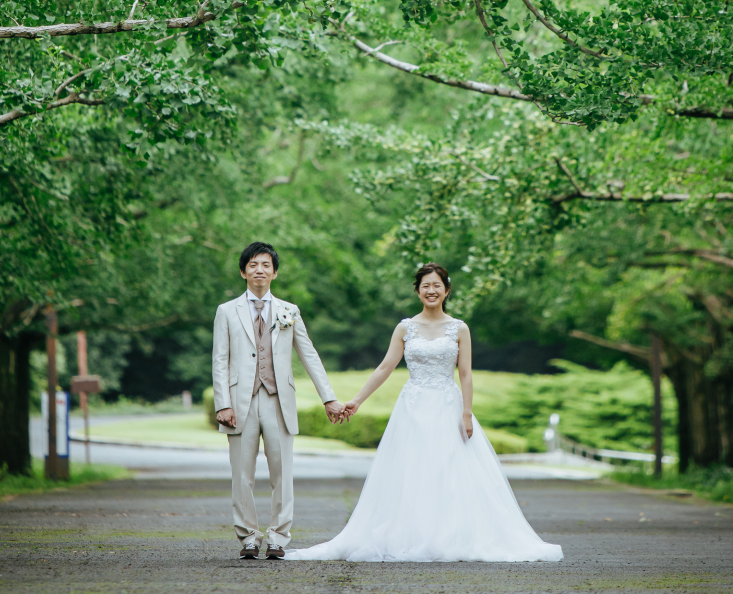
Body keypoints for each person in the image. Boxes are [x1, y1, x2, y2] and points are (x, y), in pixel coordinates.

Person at [285, 262, 564, 563]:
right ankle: (411, 535)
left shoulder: (460, 328)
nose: (431, 291)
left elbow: (466, 373)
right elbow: (385, 367)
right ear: (418, 291)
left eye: (437, 285)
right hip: (413, 408)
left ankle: (451, 535)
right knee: (412, 470)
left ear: (446, 290)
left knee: (450, 470)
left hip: (448, 406)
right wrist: (357, 400)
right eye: (425, 286)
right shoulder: (405, 328)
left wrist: (467, 413)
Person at [212, 241, 344, 559]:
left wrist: (329, 398)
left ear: (274, 273)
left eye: (266, 265)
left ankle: (278, 538)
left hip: (278, 401)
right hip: (240, 403)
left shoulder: (289, 311)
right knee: (241, 474)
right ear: (243, 271)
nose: (260, 270)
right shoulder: (227, 311)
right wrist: (222, 404)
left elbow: (308, 354)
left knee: (282, 473)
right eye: (253, 265)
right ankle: (247, 537)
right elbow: (220, 359)